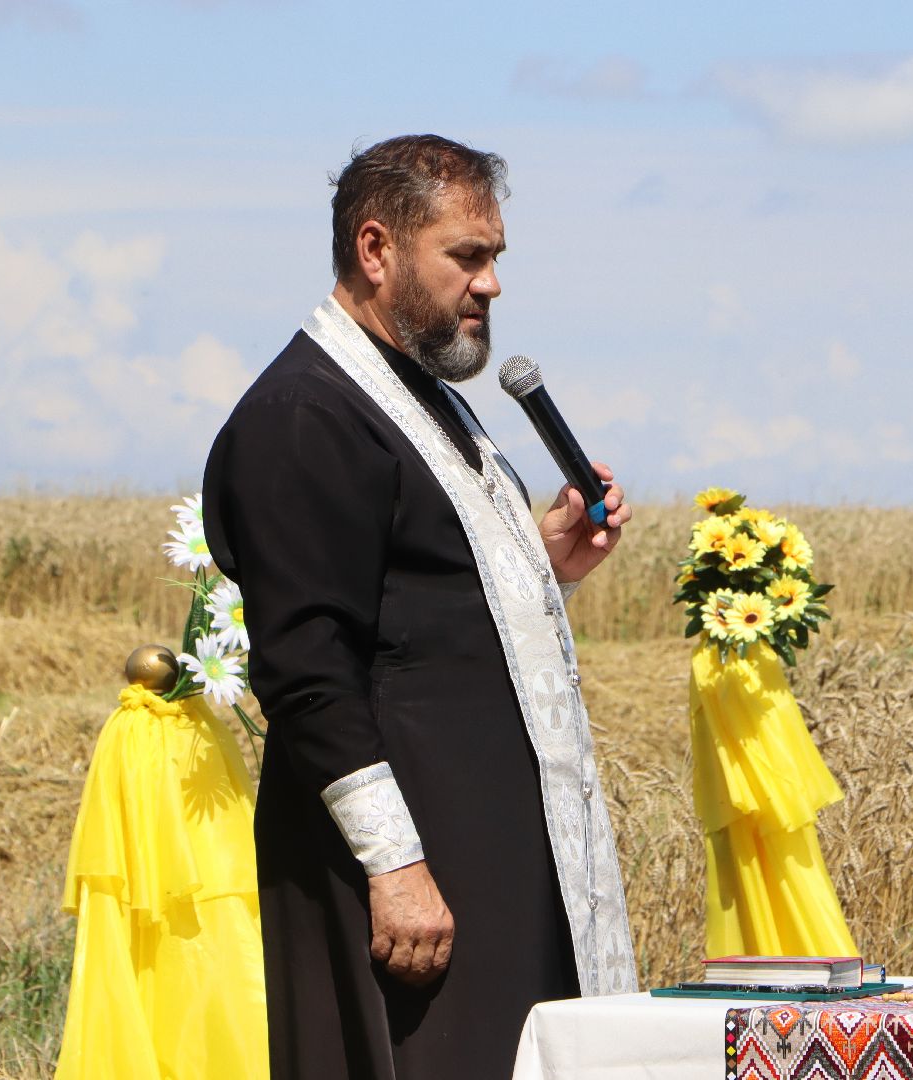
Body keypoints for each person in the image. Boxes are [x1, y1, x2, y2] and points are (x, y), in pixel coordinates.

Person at [202, 134, 637, 1079]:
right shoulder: (306, 417)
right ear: (376, 251)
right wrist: (394, 867)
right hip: (411, 870)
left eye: (495, 259)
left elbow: (416, 605)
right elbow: (308, 665)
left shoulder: (421, 395)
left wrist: (544, 562)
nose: (489, 285)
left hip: (484, 854)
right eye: (466, 257)